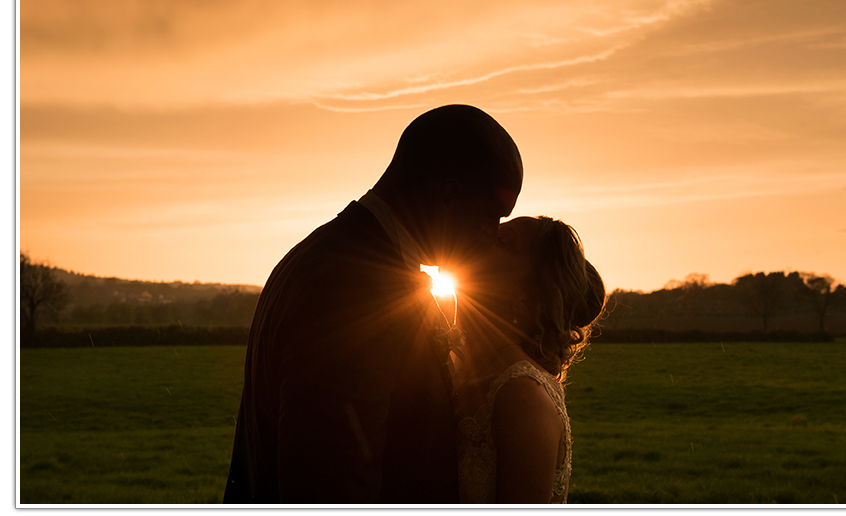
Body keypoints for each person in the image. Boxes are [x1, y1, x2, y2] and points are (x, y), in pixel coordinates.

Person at [223, 105, 523, 503]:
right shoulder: (355, 290)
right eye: (491, 216)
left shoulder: (325, 256)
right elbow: (334, 486)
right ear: (448, 195)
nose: (492, 236)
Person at [452, 216, 607, 503]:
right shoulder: (455, 366)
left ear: (526, 295)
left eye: (502, 241)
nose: (481, 235)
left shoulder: (521, 393)